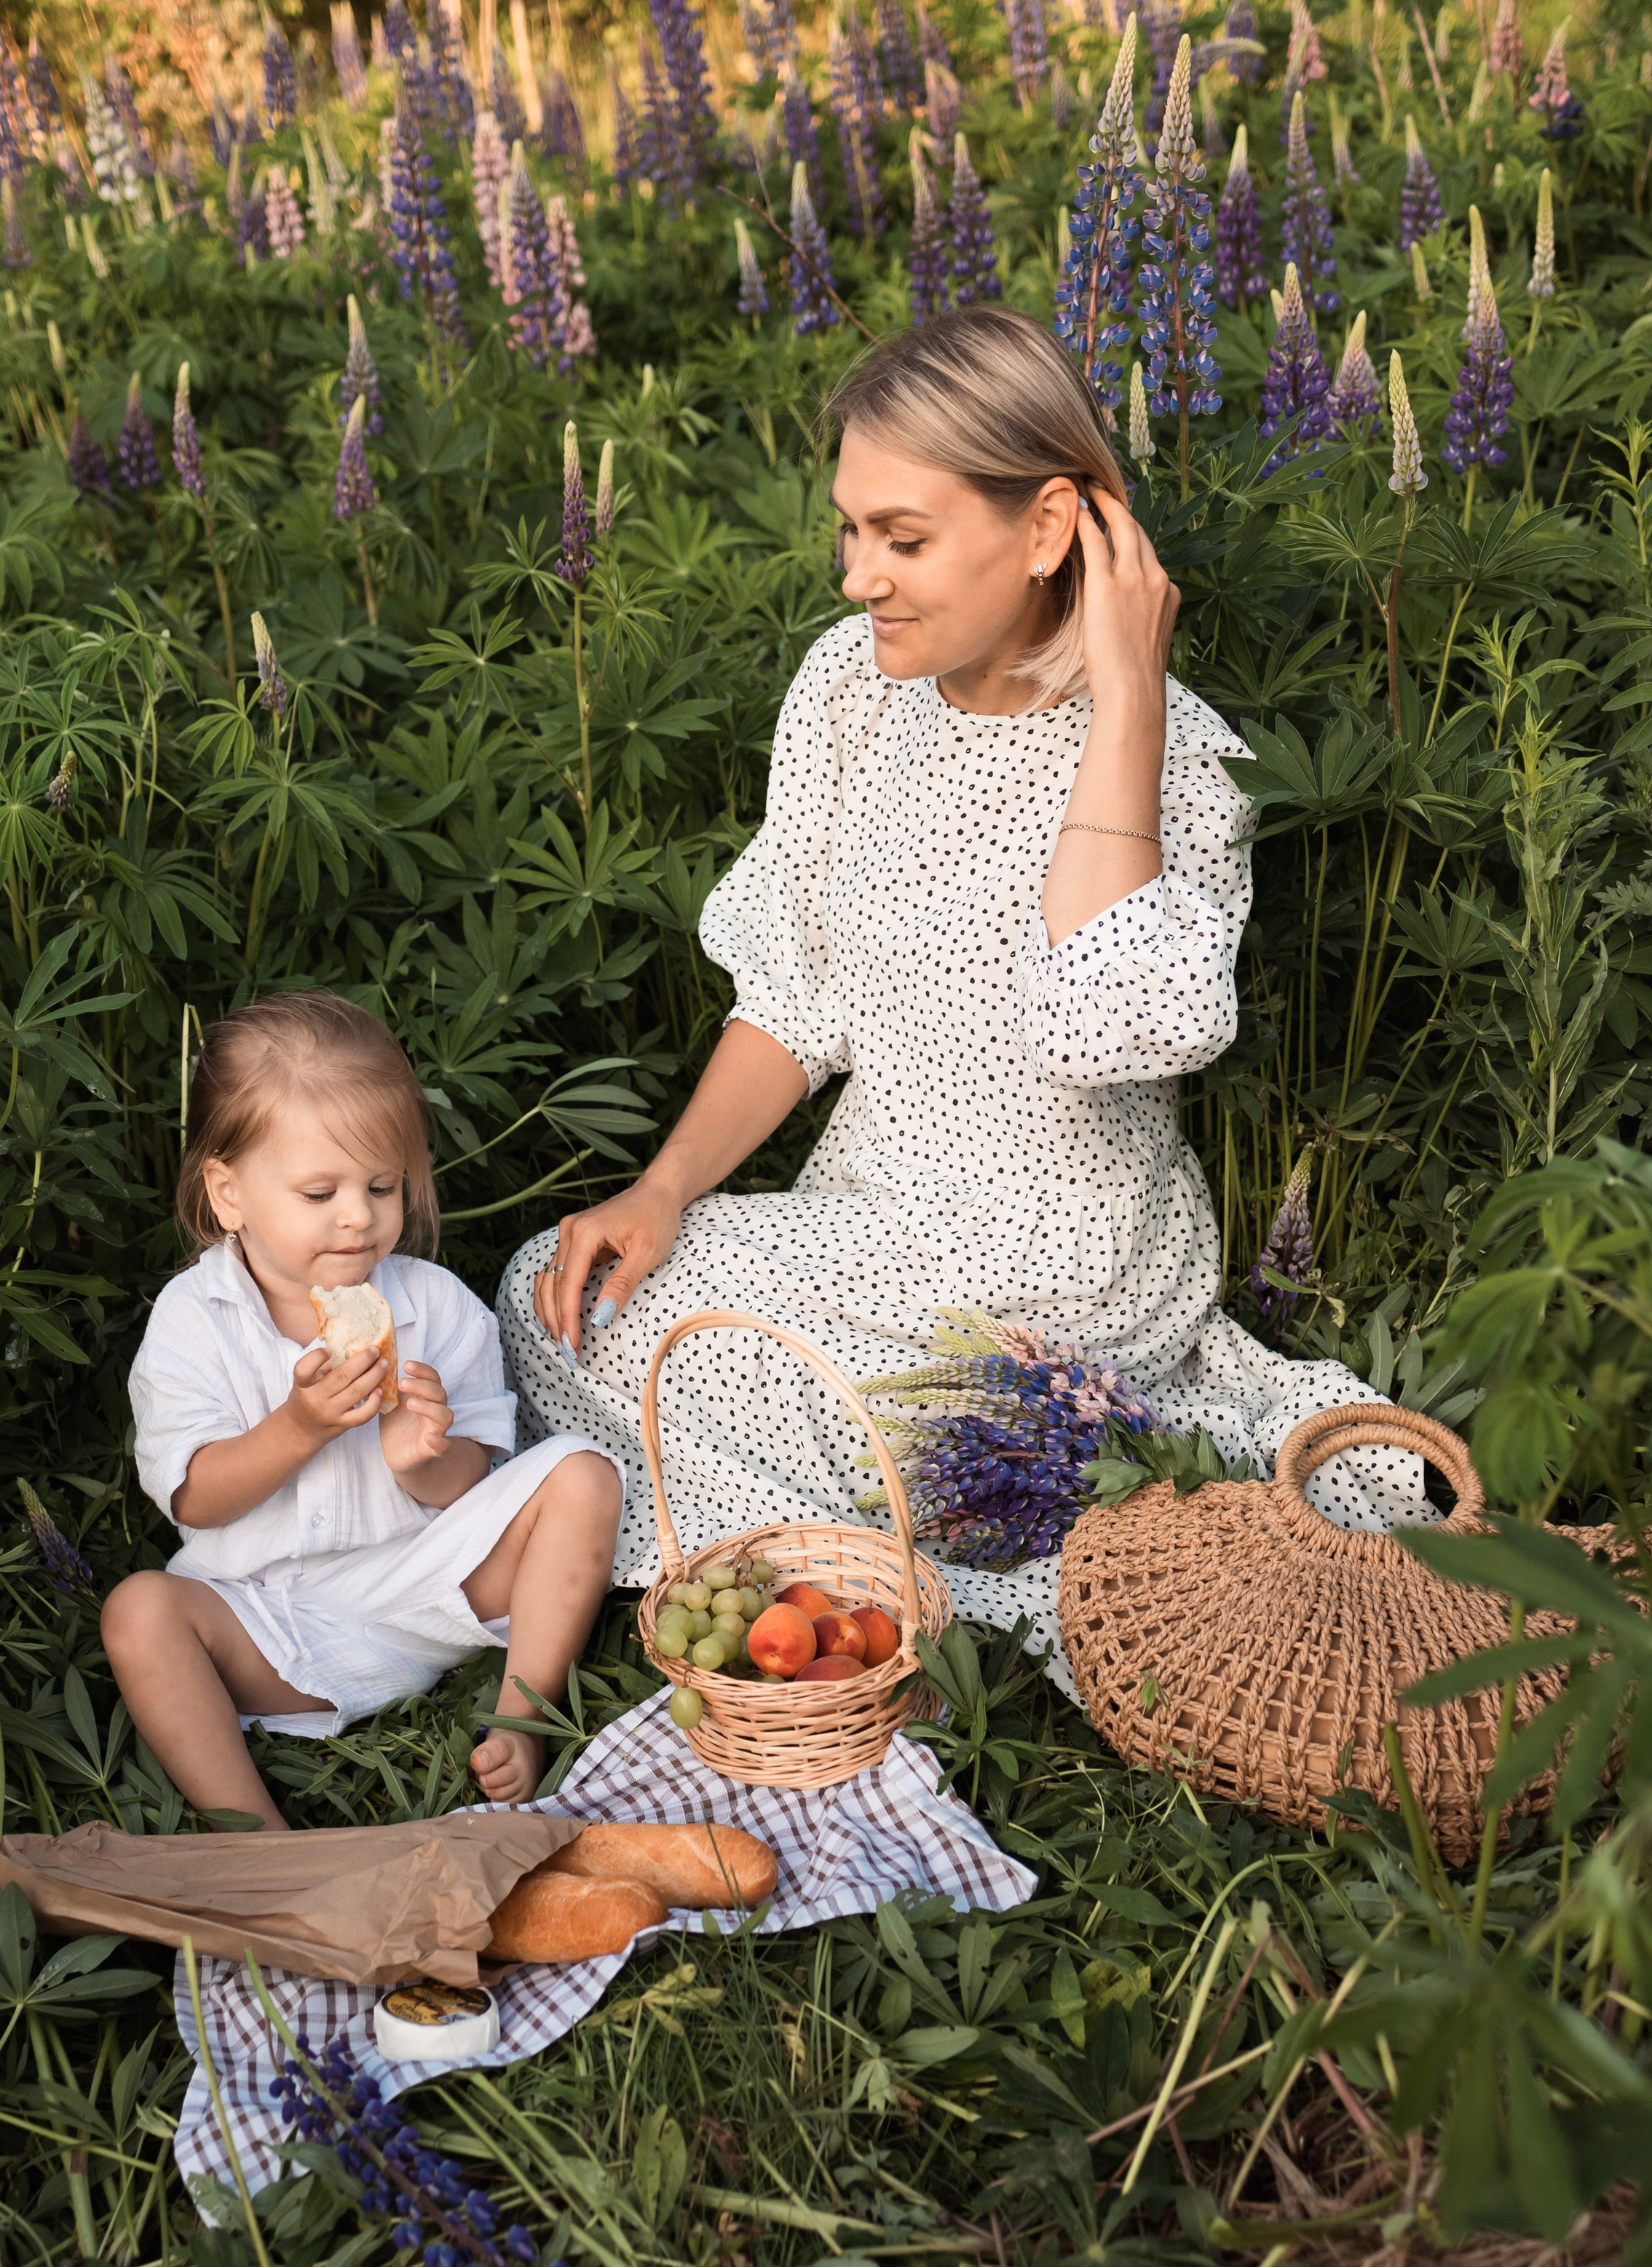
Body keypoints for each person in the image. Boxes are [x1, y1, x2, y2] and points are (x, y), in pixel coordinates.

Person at [498, 307, 1416, 1676]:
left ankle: (945, 1586)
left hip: (1074, 1267)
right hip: (877, 1222)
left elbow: (1112, 1024)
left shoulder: (1183, 760)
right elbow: (798, 1000)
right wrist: (665, 1188)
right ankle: (922, 1572)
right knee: (562, 1294)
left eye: (904, 538)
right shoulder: (849, 694)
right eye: (850, 531)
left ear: (1047, 531)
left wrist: (1123, 705)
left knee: (820, 1390)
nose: (862, 575)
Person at [104, 994, 622, 1825]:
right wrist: (296, 1428)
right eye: (319, 1193)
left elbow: (475, 1486)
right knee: (139, 1612)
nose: (359, 1216)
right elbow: (194, 1496)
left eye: (382, 1186)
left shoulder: (434, 1304)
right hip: (262, 1614)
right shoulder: (194, 1318)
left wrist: (427, 1459)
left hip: (424, 1589)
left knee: (584, 1476)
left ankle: (523, 1717)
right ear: (228, 1194)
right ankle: (259, 1840)